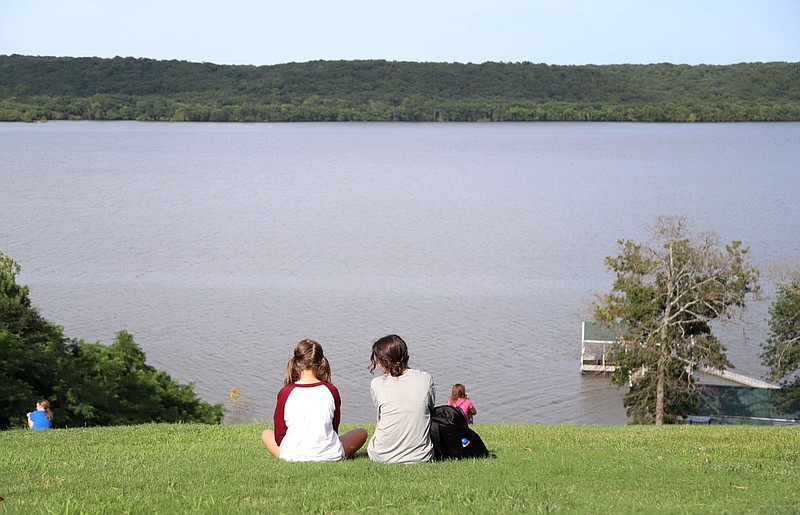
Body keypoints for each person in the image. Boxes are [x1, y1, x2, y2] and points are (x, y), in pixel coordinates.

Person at [261, 339, 367, 461]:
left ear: (296, 362)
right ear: (322, 361)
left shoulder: (285, 392)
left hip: (292, 454)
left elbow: (279, 434)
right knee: (361, 432)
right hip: (330, 454)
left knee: (266, 434)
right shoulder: (331, 390)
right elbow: (334, 427)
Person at [367, 334, 435, 464]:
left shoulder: (376, 384)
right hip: (422, 456)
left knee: (381, 419)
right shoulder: (425, 378)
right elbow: (430, 409)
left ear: (381, 361)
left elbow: (381, 417)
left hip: (382, 456)